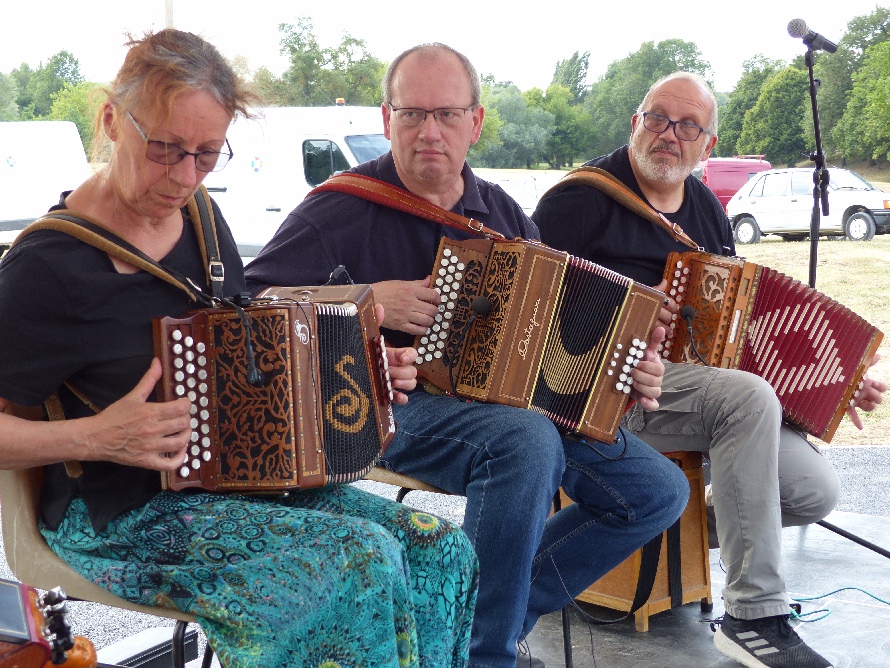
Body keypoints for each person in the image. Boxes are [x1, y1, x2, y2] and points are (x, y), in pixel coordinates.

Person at [0, 29, 480, 668]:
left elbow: (249, 350)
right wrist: (96, 437)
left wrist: (356, 372)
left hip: (230, 481)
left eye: (205, 154)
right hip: (119, 517)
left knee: (438, 546)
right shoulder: (49, 267)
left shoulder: (200, 217)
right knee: (357, 562)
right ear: (113, 120)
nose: (184, 176)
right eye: (167, 149)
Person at [244, 43, 691, 668]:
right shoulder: (340, 206)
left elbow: (565, 331)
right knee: (526, 441)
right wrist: (365, 303)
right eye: (412, 114)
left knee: (657, 492)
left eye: (448, 114)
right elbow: (249, 302)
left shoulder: (502, 215)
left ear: (475, 123)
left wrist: (628, 372)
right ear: (386, 119)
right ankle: (486, 653)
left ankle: (468, 621)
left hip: (512, 409)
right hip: (385, 403)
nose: (430, 131)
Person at [532, 71, 887, 668]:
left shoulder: (702, 204)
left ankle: (637, 542)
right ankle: (754, 614)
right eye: (657, 118)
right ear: (635, 123)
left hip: (703, 390)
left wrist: (829, 385)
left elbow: (745, 322)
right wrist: (631, 311)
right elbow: (536, 316)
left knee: (812, 489)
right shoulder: (578, 201)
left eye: (688, 125)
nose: (669, 134)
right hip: (612, 391)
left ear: (708, 145)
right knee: (745, 399)